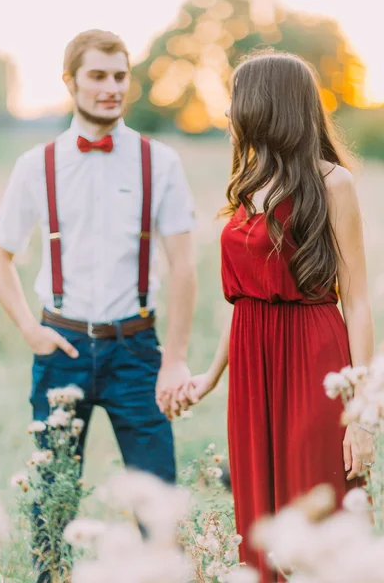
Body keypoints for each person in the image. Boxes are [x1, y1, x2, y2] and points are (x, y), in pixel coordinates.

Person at [0, 29, 197, 582]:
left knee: (159, 503)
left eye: (119, 76)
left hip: (137, 351)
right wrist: (29, 329)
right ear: (70, 82)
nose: (111, 88)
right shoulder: (38, 164)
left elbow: (184, 268)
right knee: (51, 508)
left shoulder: (161, 163)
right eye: (98, 76)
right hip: (61, 347)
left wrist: (174, 359)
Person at [178, 50, 374, 582]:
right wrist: (210, 375)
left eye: (235, 101)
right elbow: (244, 300)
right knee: (259, 513)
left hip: (313, 357)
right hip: (250, 362)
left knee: (317, 502)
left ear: (265, 105)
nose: (228, 115)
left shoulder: (334, 184)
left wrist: (360, 414)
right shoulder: (247, 182)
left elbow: (355, 298)